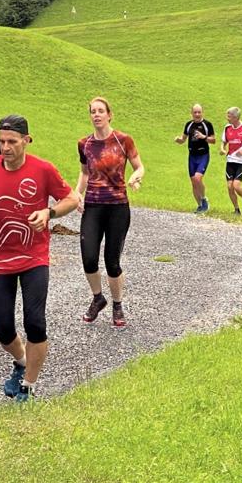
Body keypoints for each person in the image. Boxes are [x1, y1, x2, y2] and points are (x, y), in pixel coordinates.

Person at [0, 115, 79, 402]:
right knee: (2, 326)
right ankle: (20, 361)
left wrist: (49, 213)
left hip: (34, 257)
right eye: (1, 141)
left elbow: (71, 199)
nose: (5, 147)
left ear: (26, 141)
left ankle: (29, 384)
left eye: (12, 142)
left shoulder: (43, 169)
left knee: (35, 322)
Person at [76, 97, 145, 329]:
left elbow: (139, 166)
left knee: (112, 262)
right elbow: (85, 173)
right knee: (88, 258)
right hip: (93, 205)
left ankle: (117, 304)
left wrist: (135, 178)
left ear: (109, 114)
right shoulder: (84, 143)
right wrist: (77, 194)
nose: (96, 115)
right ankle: (98, 298)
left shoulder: (123, 140)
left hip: (117, 207)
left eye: (100, 111)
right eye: (93, 112)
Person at [174, 103, 215, 213]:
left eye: (199, 112)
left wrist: (203, 137)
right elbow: (183, 139)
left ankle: (204, 199)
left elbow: (213, 140)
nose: (197, 114)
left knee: (197, 178)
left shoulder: (207, 124)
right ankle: (200, 206)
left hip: (203, 155)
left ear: (202, 112)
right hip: (192, 156)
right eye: (195, 112)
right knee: (193, 182)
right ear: (191, 113)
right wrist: (179, 140)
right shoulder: (189, 125)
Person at [219, 107, 242, 217]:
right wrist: (222, 149)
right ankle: (236, 209)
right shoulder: (227, 128)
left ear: (235, 117)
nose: (227, 118)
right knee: (230, 186)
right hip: (230, 160)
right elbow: (223, 142)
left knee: (236, 185)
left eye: (229, 116)